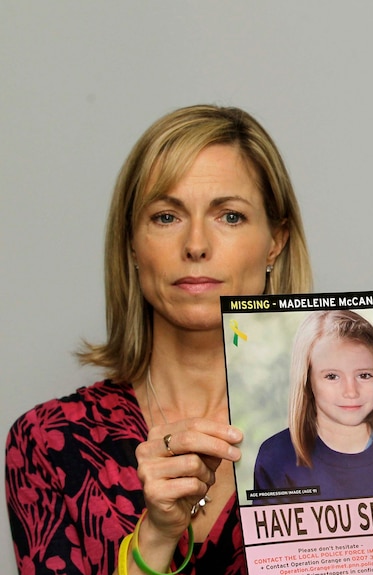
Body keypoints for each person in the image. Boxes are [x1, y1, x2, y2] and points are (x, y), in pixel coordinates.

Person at [5, 104, 312, 575]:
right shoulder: (49, 443)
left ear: (276, 241)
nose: (195, 244)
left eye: (229, 216)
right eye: (166, 216)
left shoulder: (342, 421)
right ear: (131, 243)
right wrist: (155, 538)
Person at [253, 309, 373, 504]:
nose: (351, 392)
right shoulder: (275, 455)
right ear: (307, 381)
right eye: (332, 376)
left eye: (364, 375)